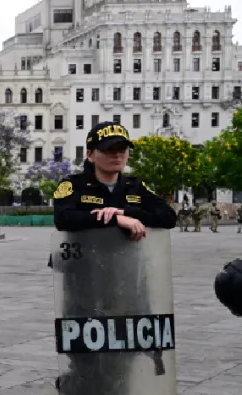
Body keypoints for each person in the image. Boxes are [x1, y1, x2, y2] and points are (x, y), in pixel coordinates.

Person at [51, 121, 177, 392]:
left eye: (122, 149)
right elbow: (63, 218)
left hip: (129, 289)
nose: (117, 155)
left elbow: (168, 217)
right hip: (85, 290)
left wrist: (126, 215)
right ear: (90, 154)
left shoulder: (135, 186)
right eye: (108, 150)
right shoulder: (73, 186)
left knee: (124, 362)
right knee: (87, 362)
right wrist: (113, 220)